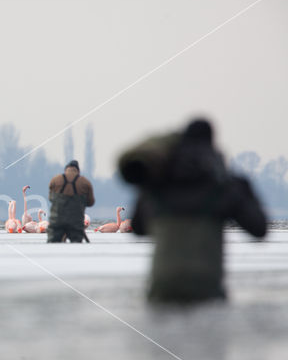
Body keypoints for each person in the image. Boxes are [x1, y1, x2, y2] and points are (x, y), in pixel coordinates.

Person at [118, 118, 267, 304]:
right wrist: (244, 190)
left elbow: (139, 229)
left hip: (163, 289)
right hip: (206, 289)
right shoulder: (223, 186)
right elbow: (259, 229)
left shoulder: (157, 187)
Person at [47, 160, 95, 243]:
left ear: (66, 169)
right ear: (78, 170)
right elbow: (90, 202)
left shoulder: (55, 180)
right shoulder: (85, 182)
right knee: (76, 245)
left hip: (57, 221)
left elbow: (51, 199)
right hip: (76, 222)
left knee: (53, 244)